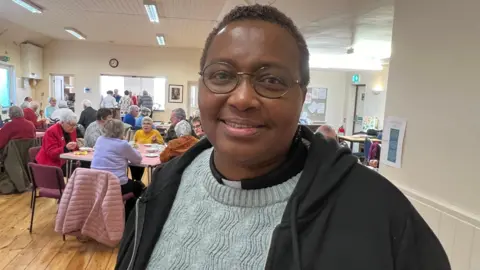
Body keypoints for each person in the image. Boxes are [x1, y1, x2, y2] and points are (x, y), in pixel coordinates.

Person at [116, 4, 450, 270]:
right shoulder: (163, 187)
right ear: (202, 86)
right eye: (222, 75)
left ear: (302, 97)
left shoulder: (381, 215)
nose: (243, 98)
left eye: (272, 80)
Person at [91, 119, 144, 219]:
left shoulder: (100, 140)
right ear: (121, 131)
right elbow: (137, 160)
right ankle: (128, 219)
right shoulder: (122, 144)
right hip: (116, 184)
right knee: (139, 186)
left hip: (98, 183)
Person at [36, 110, 78, 175]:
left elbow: (73, 148)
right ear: (62, 122)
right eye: (71, 125)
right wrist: (65, 148)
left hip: (66, 162)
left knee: (83, 167)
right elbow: (51, 153)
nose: (73, 128)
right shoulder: (51, 131)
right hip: (50, 164)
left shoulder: (72, 130)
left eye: (75, 125)